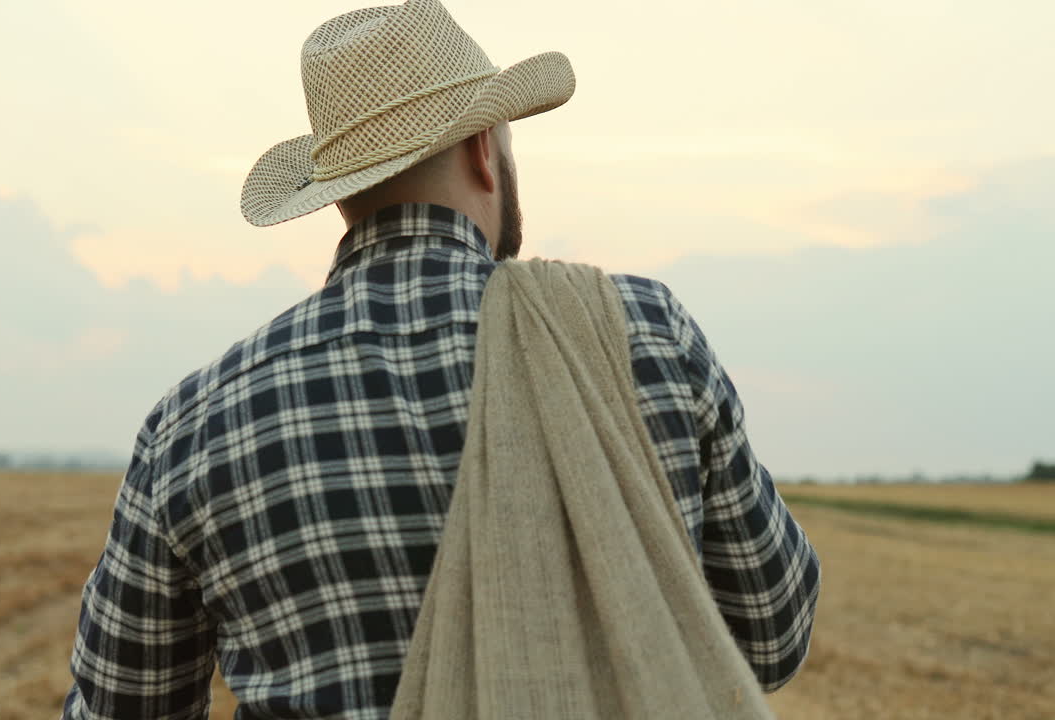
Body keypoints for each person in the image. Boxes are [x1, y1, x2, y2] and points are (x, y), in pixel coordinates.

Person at [62, 1, 820, 718]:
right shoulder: (644, 333)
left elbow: (121, 705)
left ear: (338, 193)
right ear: (483, 150)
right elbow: (770, 632)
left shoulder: (193, 426)